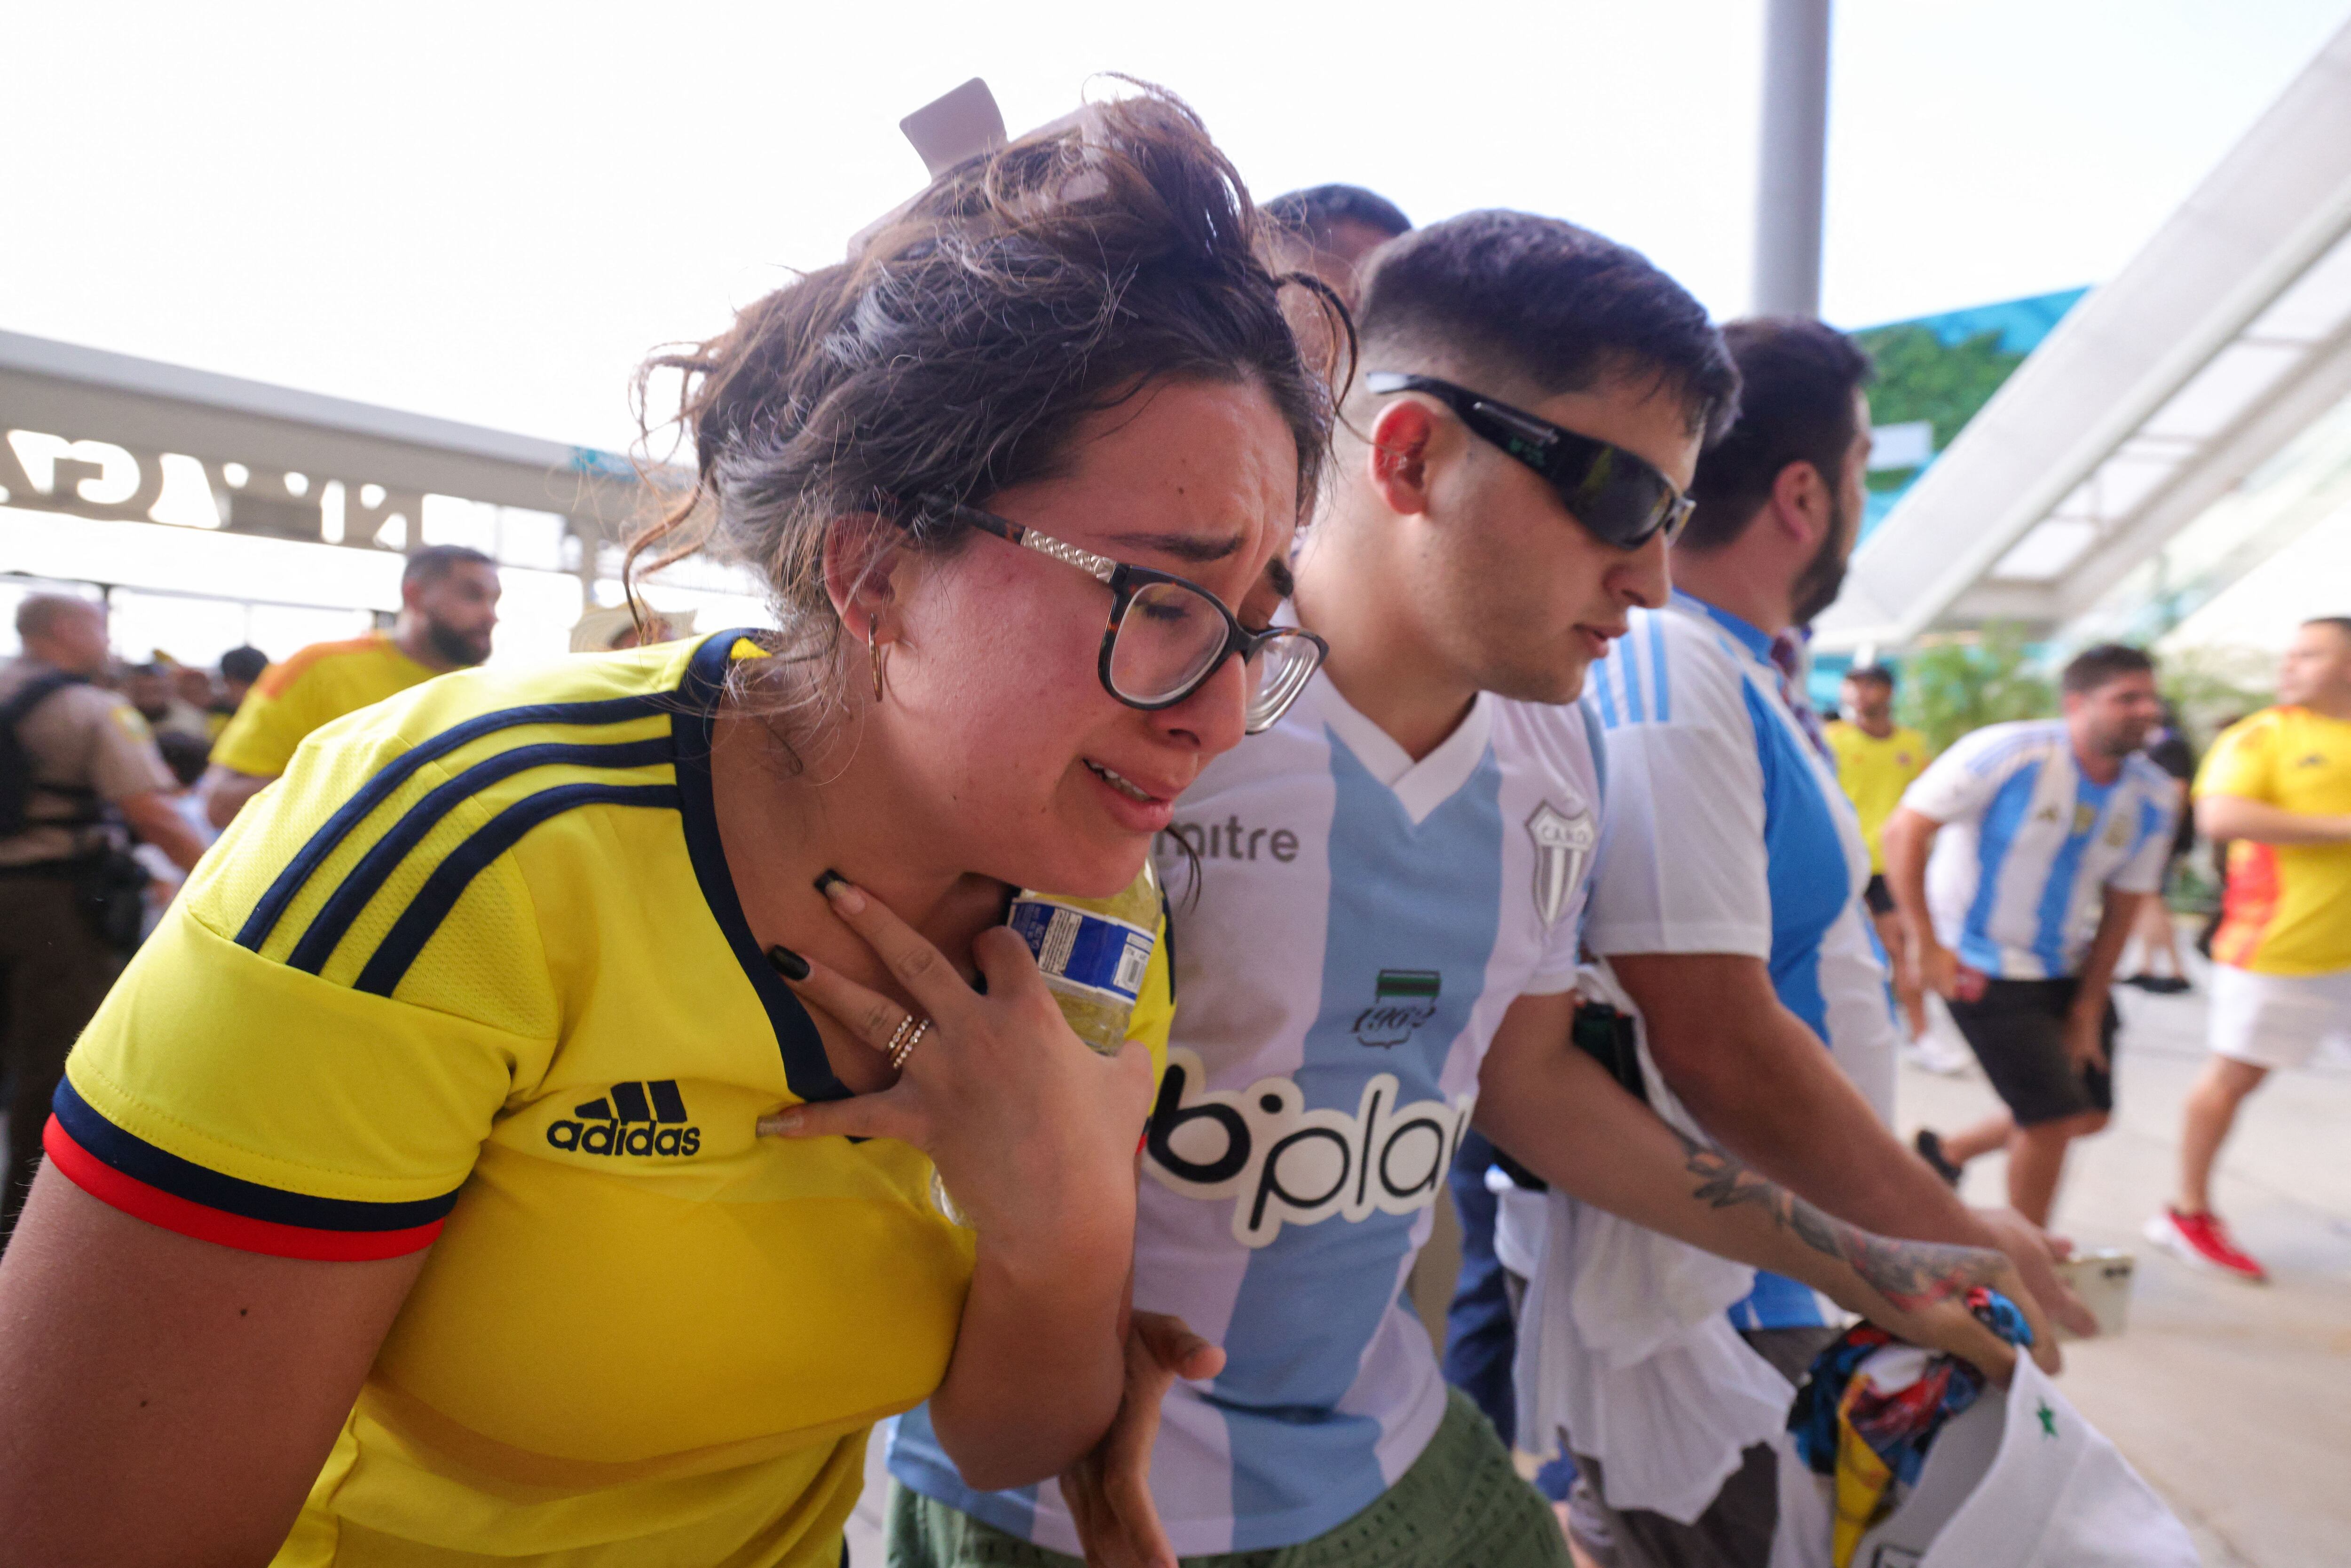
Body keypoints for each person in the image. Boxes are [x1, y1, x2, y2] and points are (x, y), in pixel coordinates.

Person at [0, 92, 1321, 1567]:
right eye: (1162, 599)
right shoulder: (467, 844)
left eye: (1254, 622)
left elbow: (1012, 1437)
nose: (1220, 715)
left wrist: (1061, 1218)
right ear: (877, 570)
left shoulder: (1092, 918)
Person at [889, 213, 2051, 1568]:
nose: (1653, 577)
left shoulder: (1555, 750)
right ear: (1411, 454)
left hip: (1392, 1446)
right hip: (1070, 1492)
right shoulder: (1160, 705)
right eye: (1622, 501)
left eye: (1675, 517)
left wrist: (1868, 1258)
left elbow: (1530, 1078)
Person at [1570, 316, 2084, 1568]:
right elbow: (1712, 1035)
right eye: (1860, 466)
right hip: (1732, 1297)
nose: (1860, 495)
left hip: (1797, 1271)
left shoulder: (1740, 668)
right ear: (1804, 494)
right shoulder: (1674, 668)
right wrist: (1944, 1237)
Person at [1885, 646, 2174, 1227]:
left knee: (2089, 1113)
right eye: (2126, 698)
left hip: (2064, 966)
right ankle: (2027, 1258)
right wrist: (1925, 942)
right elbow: (1903, 831)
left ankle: (1944, 1154)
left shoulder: (2153, 794)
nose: (2146, 710)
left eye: (2149, 697)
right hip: (1978, 961)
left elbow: (2123, 906)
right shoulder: (2009, 752)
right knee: (2050, 1117)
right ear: (2076, 702)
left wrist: (2088, 1005)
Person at [2150, 616, 2351, 1282]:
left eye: (2308, 654)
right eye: (2290, 653)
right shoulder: (2262, 734)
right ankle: (2186, 1212)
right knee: (2234, 1079)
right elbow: (2220, 815)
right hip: (2279, 947)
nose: (2288, 665)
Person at [0, 596, 206, 1242]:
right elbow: (154, 812)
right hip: (48, 902)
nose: (107, 637)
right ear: (66, 629)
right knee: (52, 1058)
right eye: (100, 624)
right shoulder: (92, 708)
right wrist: (218, 877)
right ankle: (25, 1229)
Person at [199, 545, 504, 829]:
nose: (491, 616)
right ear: (415, 595)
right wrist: (375, 783)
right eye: (473, 596)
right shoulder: (317, 668)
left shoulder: (489, 693)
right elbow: (219, 804)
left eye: (495, 601)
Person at [1825, 663, 1933, 1039]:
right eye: (1851, 685)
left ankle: (1922, 1034)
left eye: (1868, 685)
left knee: (1901, 947)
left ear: (1888, 691)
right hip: (1841, 860)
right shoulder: (1831, 739)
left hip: (1890, 864)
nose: (1858, 693)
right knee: (1840, 950)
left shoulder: (1912, 744)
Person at [2121, 705, 2196, 993]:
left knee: (2149, 897)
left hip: (2161, 837)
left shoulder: (2171, 744)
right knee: (2143, 899)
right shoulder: (2158, 744)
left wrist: (2165, 837)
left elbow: (2178, 790)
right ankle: (2148, 966)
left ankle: (2177, 970)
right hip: (2152, 835)